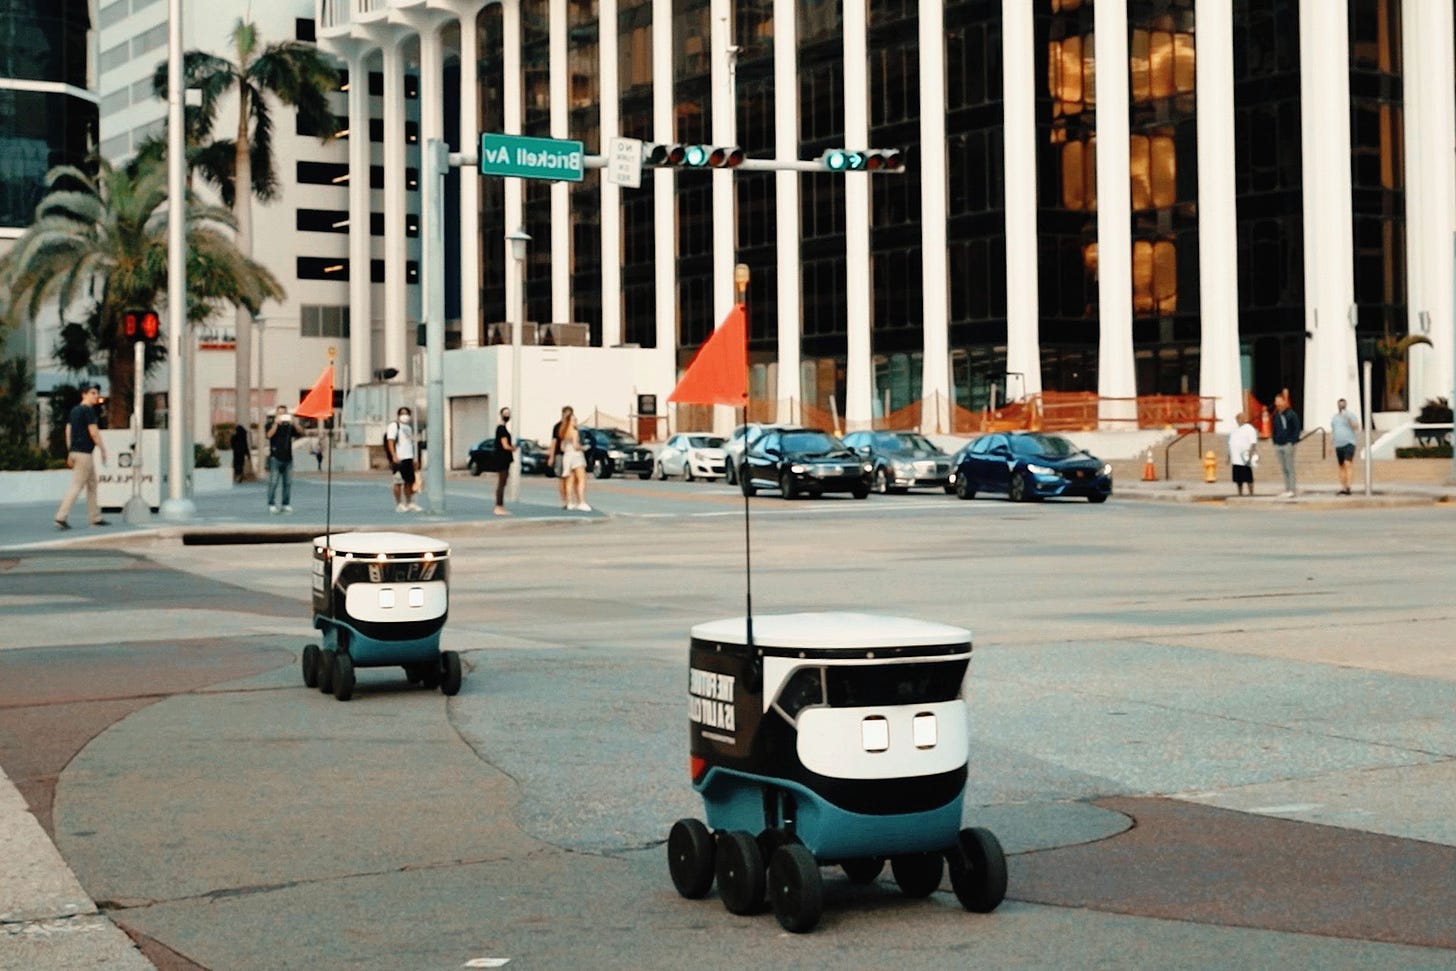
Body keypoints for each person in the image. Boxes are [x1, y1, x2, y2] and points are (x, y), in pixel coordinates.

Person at [54, 383, 109, 530]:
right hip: (84, 453)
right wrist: (103, 449)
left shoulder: (74, 411)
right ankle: (61, 516)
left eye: (96, 393)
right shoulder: (88, 411)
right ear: (84, 394)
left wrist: (70, 451)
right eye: (92, 393)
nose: (95, 396)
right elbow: (94, 432)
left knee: (92, 484)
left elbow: (68, 431)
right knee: (77, 485)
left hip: (76, 452)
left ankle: (95, 517)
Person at [548, 406, 590, 511]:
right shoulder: (572, 430)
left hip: (566, 455)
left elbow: (562, 446)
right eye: (574, 419)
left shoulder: (562, 430)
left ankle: (569, 502)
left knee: (568, 479)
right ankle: (580, 501)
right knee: (580, 479)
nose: (576, 421)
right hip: (573, 456)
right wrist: (583, 448)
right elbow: (575, 446)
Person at [264, 404, 301, 514]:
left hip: (288, 458)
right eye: (279, 413)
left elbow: (301, 432)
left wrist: (294, 422)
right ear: (276, 414)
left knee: (288, 483)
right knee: (273, 482)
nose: (281, 415)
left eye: (284, 413)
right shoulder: (270, 424)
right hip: (275, 458)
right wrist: (276, 423)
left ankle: (286, 504)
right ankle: (271, 504)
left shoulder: (289, 427)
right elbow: (269, 435)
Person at [385, 406, 421, 512]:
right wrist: (394, 455)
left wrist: (414, 459)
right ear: (399, 415)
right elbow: (390, 441)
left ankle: (409, 503)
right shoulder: (394, 426)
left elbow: (410, 444)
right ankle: (399, 504)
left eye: (407, 414)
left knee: (409, 482)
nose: (405, 416)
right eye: (402, 413)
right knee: (398, 481)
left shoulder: (408, 428)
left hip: (408, 458)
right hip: (399, 458)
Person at [1271, 392, 1302, 497]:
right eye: (1276, 401)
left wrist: (1292, 441)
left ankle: (1292, 489)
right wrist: (1274, 441)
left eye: (1280, 401)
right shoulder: (1276, 415)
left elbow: (1296, 428)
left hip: (1288, 444)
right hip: (1278, 444)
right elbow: (1274, 429)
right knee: (1283, 468)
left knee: (1290, 467)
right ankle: (1287, 488)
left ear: (1284, 401)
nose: (1278, 403)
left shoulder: (1291, 414)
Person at [1331, 398, 1359, 495]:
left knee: (1348, 464)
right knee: (1341, 466)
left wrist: (1348, 419)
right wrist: (1330, 445)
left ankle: (1348, 486)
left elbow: (1356, 426)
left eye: (1343, 405)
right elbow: (1333, 431)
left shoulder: (1350, 415)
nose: (1341, 406)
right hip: (1338, 444)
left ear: (1346, 405)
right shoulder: (1335, 417)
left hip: (1349, 443)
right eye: (1340, 405)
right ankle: (1343, 486)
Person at [1227, 411, 1259, 497]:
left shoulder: (1249, 428)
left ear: (1244, 419)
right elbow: (1230, 443)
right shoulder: (1235, 430)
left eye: (1240, 418)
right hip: (1235, 458)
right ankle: (1240, 493)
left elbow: (1253, 443)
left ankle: (1251, 492)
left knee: (1248, 476)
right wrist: (1229, 456)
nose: (1239, 420)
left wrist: (1251, 455)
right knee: (1238, 478)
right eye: (1237, 419)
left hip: (1245, 457)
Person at [492, 407, 515, 516]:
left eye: (509, 413)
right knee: (502, 482)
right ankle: (499, 506)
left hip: (503, 459)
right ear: (501, 414)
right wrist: (513, 448)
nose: (507, 415)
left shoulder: (501, 428)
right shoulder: (501, 429)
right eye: (505, 413)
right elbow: (505, 445)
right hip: (502, 459)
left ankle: (500, 506)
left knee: (503, 482)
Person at [548, 405, 570, 508]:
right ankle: (564, 500)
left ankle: (569, 499)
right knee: (562, 477)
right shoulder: (557, 427)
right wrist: (551, 456)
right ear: (562, 414)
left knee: (569, 478)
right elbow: (554, 442)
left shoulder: (572, 427)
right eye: (566, 414)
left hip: (570, 454)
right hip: (560, 455)